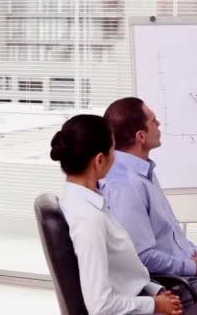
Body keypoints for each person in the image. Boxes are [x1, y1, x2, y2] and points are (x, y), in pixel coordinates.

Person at [100, 97, 197, 303]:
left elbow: (167, 235)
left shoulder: (143, 171)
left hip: (185, 273)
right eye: (153, 121)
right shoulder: (126, 186)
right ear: (140, 136)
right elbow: (141, 257)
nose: (159, 124)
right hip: (171, 285)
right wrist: (195, 266)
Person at [49, 114, 183, 315]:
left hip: (145, 297)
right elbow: (100, 307)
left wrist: (157, 296)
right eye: (113, 151)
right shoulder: (89, 219)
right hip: (141, 308)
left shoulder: (86, 200)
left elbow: (125, 276)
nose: (117, 158)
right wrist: (154, 305)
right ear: (100, 160)